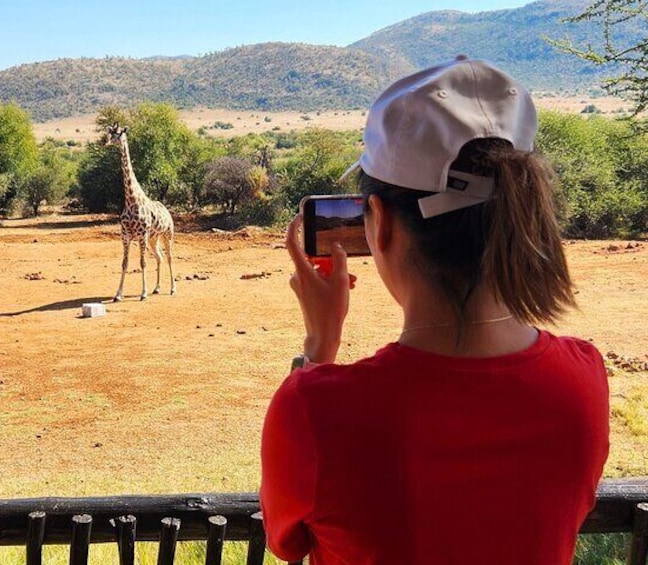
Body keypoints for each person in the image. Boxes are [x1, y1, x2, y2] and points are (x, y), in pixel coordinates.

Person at [260, 56, 610, 565]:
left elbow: (285, 542)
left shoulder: (315, 409)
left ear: (377, 223)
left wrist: (319, 348)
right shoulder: (583, 379)